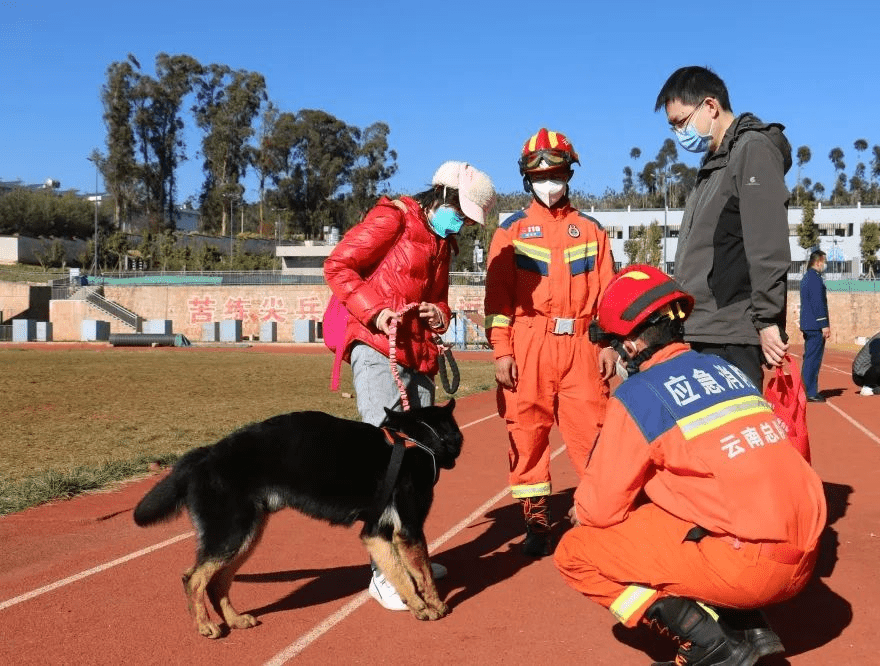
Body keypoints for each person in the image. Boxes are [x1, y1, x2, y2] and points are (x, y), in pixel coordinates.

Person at [554, 265, 826, 666]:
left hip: (751, 568)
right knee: (677, 499)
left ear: (629, 347)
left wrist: (587, 505)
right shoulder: (727, 371)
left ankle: (708, 641)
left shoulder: (640, 394)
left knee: (574, 553)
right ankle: (744, 622)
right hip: (804, 554)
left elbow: (599, 509)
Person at [323, 160, 497, 609]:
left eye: (466, 219)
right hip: (379, 349)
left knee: (418, 463)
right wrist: (376, 310)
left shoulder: (443, 241)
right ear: (441, 194)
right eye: (459, 212)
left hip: (418, 355)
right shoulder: (392, 217)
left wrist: (442, 314)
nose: (460, 223)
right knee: (386, 463)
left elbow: (435, 298)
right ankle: (384, 571)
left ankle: (409, 554)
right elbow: (339, 266)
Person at [484, 128, 618, 557]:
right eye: (541, 176)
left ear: (569, 175)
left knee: (594, 434)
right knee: (527, 433)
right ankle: (536, 519)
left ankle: (594, 513)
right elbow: (497, 300)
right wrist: (502, 349)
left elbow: (608, 293)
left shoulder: (592, 230)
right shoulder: (511, 231)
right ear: (527, 179)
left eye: (558, 173)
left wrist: (610, 344)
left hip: (583, 345)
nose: (550, 183)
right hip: (529, 343)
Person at [654, 66, 791, 391]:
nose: (678, 133)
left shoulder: (752, 150)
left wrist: (768, 318)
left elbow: (766, 239)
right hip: (703, 325)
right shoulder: (716, 163)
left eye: (681, 122)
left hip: (731, 329)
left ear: (710, 107)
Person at [799, 250, 830, 402]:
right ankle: (809, 391)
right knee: (813, 359)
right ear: (818, 262)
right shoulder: (814, 279)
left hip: (809, 323)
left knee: (809, 358)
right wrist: (824, 324)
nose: (825, 265)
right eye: (824, 261)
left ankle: (806, 389)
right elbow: (818, 303)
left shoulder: (808, 277)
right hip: (815, 325)